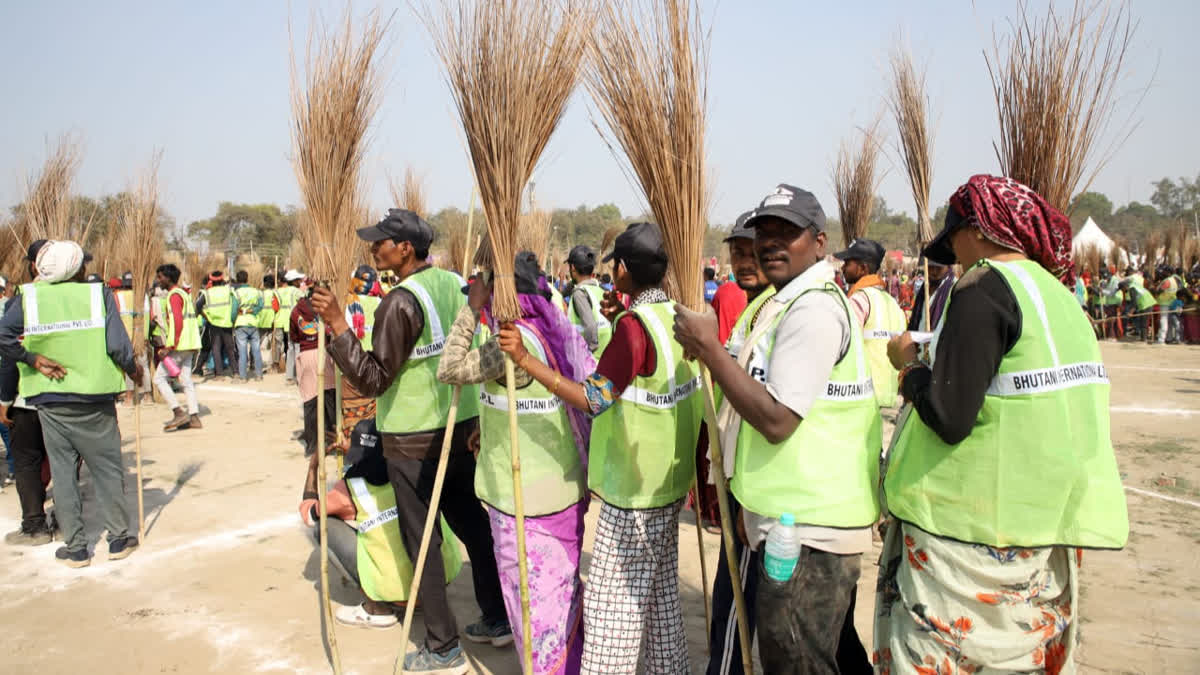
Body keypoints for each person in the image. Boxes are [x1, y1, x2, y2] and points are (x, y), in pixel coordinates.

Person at [878, 175, 1128, 673]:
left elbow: (949, 417)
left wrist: (907, 365)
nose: (953, 252)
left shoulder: (982, 286)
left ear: (981, 229)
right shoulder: (1060, 299)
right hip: (1040, 529)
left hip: (968, 539)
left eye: (954, 238)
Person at [674, 184, 880, 674]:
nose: (769, 243)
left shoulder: (812, 310)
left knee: (797, 658)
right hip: (788, 520)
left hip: (812, 527)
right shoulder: (783, 303)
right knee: (799, 652)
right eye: (764, 232)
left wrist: (712, 351)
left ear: (820, 242)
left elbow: (776, 420)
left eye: (786, 232)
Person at [498, 221, 703, 674]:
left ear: (625, 270)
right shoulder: (678, 316)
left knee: (613, 616)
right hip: (668, 487)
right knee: (662, 602)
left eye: (616, 269)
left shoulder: (635, 327)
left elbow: (595, 398)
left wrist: (527, 362)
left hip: (632, 494)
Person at [311, 208, 507, 675]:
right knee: (473, 525)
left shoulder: (399, 302)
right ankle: (498, 616)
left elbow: (373, 378)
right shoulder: (452, 283)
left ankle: (443, 647)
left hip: (414, 439)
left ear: (404, 249)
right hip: (460, 426)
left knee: (424, 543)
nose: (372, 248)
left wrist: (339, 326)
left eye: (380, 242)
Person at [439, 251, 594, 674]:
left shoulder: (510, 343)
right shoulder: (555, 333)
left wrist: (470, 311)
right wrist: (486, 429)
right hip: (561, 489)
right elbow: (536, 402)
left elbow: (449, 368)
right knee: (560, 596)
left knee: (533, 608)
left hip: (524, 502)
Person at [0, 240, 143, 568]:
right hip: (94, 396)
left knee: (63, 474)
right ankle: (119, 538)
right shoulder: (97, 294)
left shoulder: (29, 297)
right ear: (77, 269)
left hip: (51, 401)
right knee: (107, 468)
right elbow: (118, 347)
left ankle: (76, 548)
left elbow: (3, 338)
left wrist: (32, 359)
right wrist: (134, 370)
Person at [299, 419, 464, 629]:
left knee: (325, 526)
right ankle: (426, 599)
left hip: (394, 592)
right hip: (440, 578)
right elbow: (376, 457)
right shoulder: (416, 468)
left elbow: (309, 515)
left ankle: (377, 608)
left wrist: (314, 467)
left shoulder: (351, 488)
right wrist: (364, 450)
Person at [703, 214, 775, 675]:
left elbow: (766, 408)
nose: (742, 263)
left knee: (736, 609)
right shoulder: (751, 308)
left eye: (751, 253)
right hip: (739, 476)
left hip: (757, 487)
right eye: (736, 254)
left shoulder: (776, 310)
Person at [0, 244, 53, 545]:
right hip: (74, 397)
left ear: (34, 266)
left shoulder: (23, 302)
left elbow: (9, 354)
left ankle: (34, 526)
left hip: (29, 396)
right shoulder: (83, 298)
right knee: (64, 458)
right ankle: (64, 521)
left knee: (27, 460)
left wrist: (5, 398)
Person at [834, 237, 907, 409]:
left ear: (862, 268)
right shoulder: (892, 303)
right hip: (887, 395)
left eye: (847, 263)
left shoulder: (860, 299)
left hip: (862, 394)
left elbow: (844, 345)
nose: (842, 267)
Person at [154, 264, 203, 431]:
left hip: (180, 344)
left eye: (160, 277)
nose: (158, 280)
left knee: (159, 378)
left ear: (168, 278)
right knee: (186, 380)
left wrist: (170, 345)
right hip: (190, 343)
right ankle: (194, 416)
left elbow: (177, 321)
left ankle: (178, 411)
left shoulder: (174, 295)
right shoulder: (183, 293)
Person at [290, 281, 337, 457]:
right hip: (325, 354)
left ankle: (312, 445)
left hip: (306, 354)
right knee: (330, 398)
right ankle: (332, 441)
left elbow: (294, 335)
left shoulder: (296, 310)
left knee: (310, 401)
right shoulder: (327, 307)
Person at [341, 265, 382, 438]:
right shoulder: (380, 302)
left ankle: (352, 445)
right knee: (374, 411)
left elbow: (346, 336)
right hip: (375, 365)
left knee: (353, 411)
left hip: (355, 365)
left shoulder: (351, 304)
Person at [565, 245, 611, 356]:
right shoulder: (600, 289)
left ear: (573, 268)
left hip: (591, 362)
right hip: (606, 356)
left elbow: (590, 326)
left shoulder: (579, 294)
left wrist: (589, 353)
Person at [197, 271, 238, 378]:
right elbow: (236, 305)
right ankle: (236, 372)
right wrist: (233, 319)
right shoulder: (229, 290)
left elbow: (197, 306)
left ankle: (219, 374)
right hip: (227, 323)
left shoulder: (207, 293)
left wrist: (206, 316)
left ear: (211, 281)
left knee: (216, 348)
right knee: (230, 348)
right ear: (222, 280)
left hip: (213, 323)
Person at [233, 270, 265, 380]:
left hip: (240, 323)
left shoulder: (236, 293)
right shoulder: (256, 292)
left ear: (237, 280)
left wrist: (233, 320)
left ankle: (243, 376)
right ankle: (259, 375)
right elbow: (261, 305)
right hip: (253, 323)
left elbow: (234, 309)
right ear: (247, 279)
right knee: (256, 350)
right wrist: (252, 311)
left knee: (242, 351)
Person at [906, 260, 955, 332]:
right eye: (931, 267)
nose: (934, 271)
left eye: (939, 268)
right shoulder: (923, 289)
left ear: (948, 266)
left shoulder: (954, 288)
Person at [276, 270, 304, 381]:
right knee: (297, 348)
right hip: (296, 322)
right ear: (294, 281)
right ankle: (299, 375)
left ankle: (289, 376)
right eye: (299, 280)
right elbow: (305, 302)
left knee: (290, 349)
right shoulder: (297, 292)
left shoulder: (280, 291)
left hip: (284, 322)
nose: (301, 282)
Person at [1155, 265, 1181, 344]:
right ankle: (1169, 338)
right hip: (1172, 302)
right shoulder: (1174, 280)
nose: (1163, 273)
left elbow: (1160, 291)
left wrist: (1156, 291)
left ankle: (1161, 339)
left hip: (1164, 302)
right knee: (1170, 322)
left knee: (1164, 320)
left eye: (1164, 271)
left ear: (1168, 272)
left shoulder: (1167, 281)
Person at [258, 274, 278, 368]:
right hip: (272, 320)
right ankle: (272, 362)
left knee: (256, 343)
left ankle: (254, 363)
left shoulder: (260, 294)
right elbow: (276, 307)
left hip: (261, 321)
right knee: (273, 342)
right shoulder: (275, 294)